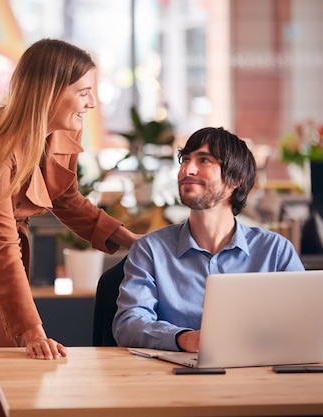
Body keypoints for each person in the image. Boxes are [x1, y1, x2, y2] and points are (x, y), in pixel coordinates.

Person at [0, 38, 140, 417]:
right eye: (84, 93)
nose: (92, 103)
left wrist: (130, 241)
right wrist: (32, 330)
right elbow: (2, 245)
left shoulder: (63, 130)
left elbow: (66, 198)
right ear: (50, 93)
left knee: (9, 368)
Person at [113, 127, 304, 353]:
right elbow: (128, 324)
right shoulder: (150, 249)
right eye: (185, 159)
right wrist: (183, 339)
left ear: (236, 180)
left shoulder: (275, 251)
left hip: (257, 375)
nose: (187, 169)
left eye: (204, 160)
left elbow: (304, 323)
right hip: (173, 381)